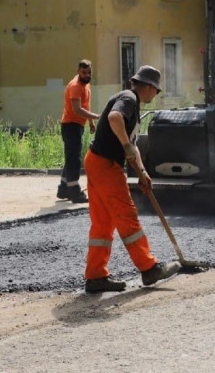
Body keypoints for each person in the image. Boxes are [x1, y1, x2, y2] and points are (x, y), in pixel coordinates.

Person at [83, 65, 180, 292]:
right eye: (156, 90)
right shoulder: (128, 98)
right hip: (106, 164)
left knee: (103, 222)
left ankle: (96, 276)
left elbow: (132, 147)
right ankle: (149, 268)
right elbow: (115, 118)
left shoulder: (133, 107)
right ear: (148, 87)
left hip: (97, 161)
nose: (155, 95)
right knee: (127, 216)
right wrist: (125, 145)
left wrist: (142, 173)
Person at [57, 60, 99, 203]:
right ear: (78, 71)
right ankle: (75, 193)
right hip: (71, 126)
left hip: (77, 125)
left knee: (71, 157)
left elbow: (85, 105)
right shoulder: (75, 86)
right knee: (74, 160)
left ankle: (63, 189)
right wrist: (96, 116)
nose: (87, 75)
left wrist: (91, 122)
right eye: (84, 73)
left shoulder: (85, 85)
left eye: (89, 73)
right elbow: (77, 110)